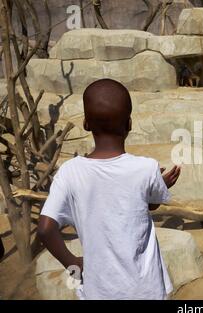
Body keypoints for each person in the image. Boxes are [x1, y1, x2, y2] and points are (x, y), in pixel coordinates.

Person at [37, 79, 181, 300]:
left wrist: (72, 262)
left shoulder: (69, 172)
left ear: (86, 124)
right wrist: (160, 185)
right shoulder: (146, 168)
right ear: (129, 124)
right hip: (146, 290)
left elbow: (45, 229)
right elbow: (149, 205)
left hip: (99, 290)